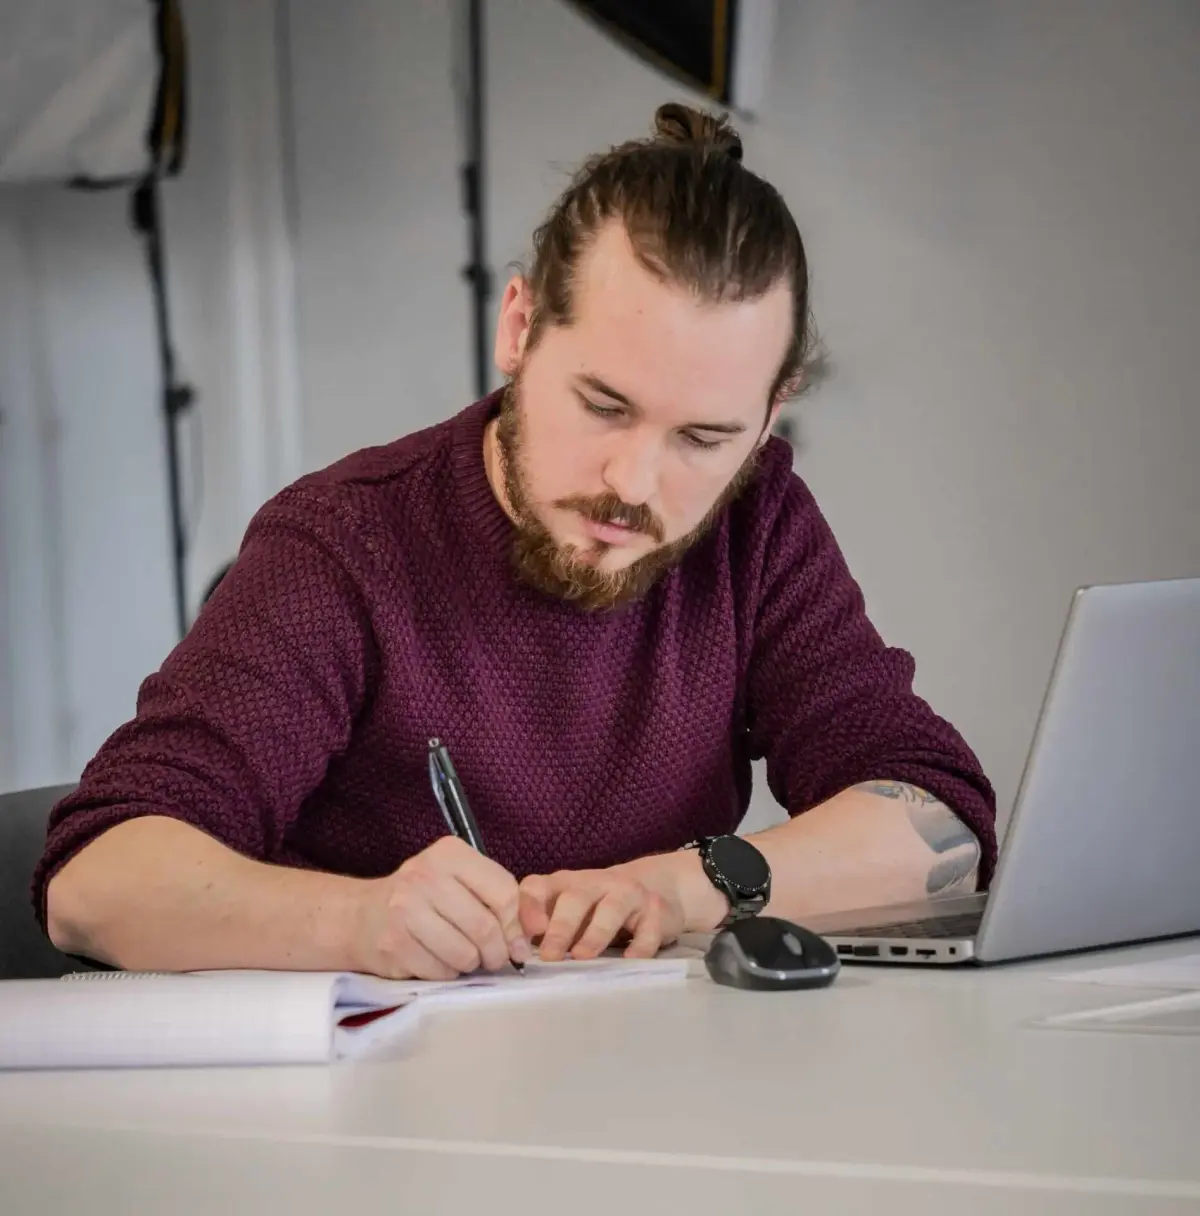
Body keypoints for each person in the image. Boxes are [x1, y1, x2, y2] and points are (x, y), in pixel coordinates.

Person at [36, 104, 996, 981]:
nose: (634, 483)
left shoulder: (756, 523)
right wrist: (358, 923)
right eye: (603, 405)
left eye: (704, 438)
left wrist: (681, 889)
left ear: (769, 413)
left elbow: (937, 817)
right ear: (520, 326)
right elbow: (97, 881)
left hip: (651, 1092)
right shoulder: (345, 543)